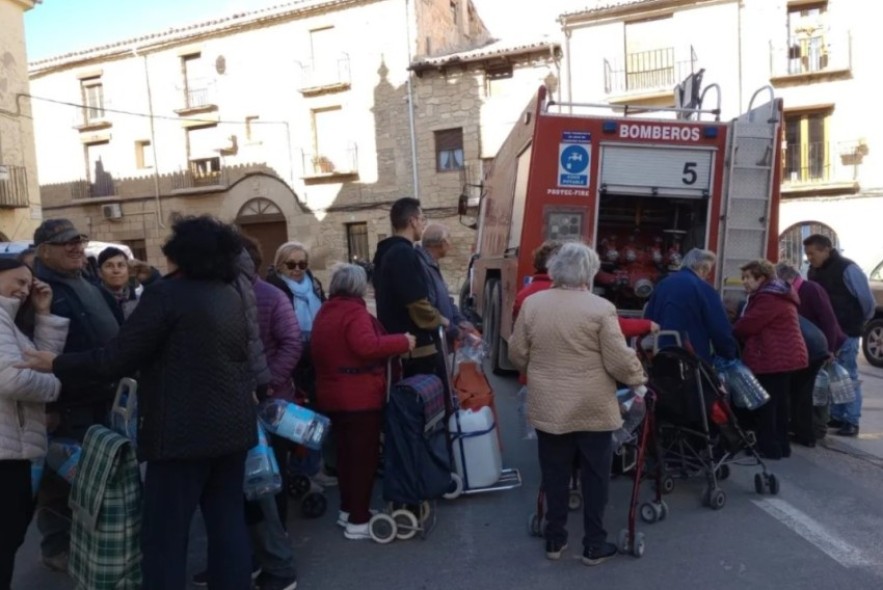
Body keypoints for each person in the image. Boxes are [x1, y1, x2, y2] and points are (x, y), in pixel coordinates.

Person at [20, 215, 258, 590]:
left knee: (164, 536)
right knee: (227, 523)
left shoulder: (168, 295)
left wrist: (57, 362)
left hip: (181, 436)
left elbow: (116, 357)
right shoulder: (226, 293)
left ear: (181, 253)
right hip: (233, 429)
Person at [508, 242, 646, 567]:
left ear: (555, 269)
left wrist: (540, 369)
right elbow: (618, 361)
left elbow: (517, 354)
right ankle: (594, 545)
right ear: (589, 271)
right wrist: (639, 379)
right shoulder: (600, 308)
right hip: (593, 408)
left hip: (549, 405)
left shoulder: (533, 305)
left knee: (554, 474)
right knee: (595, 477)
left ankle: (555, 540)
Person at [30, 218, 123, 572]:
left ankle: (89, 542)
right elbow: (32, 348)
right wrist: (48, 404)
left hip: (101, 394)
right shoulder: (39, 289)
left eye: (78, 240)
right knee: (61, 478)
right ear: (44, 251)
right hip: (68, 401)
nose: (75, 247)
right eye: (65, 242)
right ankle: (57, 546)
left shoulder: (85, 280)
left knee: (94, 476)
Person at [311, 263, 415, 540]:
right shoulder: (354, 312)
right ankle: (358, 520)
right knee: (363, 460)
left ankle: (348, 509)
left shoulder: (325, 310)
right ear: (359, 286)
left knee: (346, 457)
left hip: (332, 394)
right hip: (357, 396)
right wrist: (403, 341)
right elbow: (367, 346)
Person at [0, 259, 68, 590]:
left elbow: (39, 362)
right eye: (17, 281)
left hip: (11, 449)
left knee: (9, 539)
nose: (25, 290)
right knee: (5, 541)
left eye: (28, 284)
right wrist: (56, 386)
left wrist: (43, 314)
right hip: (3, 454)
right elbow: (12, 379)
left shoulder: (8, 322)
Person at [266, 242, 336, 487]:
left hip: (314, 359)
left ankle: (310, 468)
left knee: (314, 415)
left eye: (302, 264)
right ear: (279, 263)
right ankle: (298, 470)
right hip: (289, 362)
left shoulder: (313, 286)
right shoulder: (275, 289)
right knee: (296, 418)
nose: (297, 269)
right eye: (291, 264)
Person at [733, 259, 808, 460]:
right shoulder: (775, 294)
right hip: (784, 357)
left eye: (749, 277)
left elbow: (747, 326)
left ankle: (769, 447)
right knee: (780, 404)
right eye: (743, 278)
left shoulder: (769, 298)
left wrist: (732, 328)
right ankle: (781, 446)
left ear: (762, 278)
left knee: (768, 404)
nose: (745, 282)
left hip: (775, 357)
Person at [803, 234, 875, 437]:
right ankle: (837, 415)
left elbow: (866, 300)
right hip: (827, 332)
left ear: (826, 249)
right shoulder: (814, 270)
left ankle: (851, 420)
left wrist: (860, 321)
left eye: (812, 253)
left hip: (847, 330)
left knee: (847, 375)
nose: (809, 258)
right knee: (833, 376)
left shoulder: (848, 268)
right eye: (807, 254)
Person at [372, 197, 447, 378]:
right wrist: (443, 321)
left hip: (400, 347)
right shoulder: (403, 253)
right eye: (422, 218)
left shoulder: (385, 252)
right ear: (412, 221)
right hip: (415, 351)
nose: (423, 223)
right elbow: (417, 304)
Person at [776, 262, 846, 443]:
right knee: (803, 391)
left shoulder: (811, 290)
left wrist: (830, 349)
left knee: (808, 392)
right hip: (806, 347)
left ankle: (810, 432)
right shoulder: (794, 292)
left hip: (818, 348)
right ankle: (804, 430)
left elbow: (829, 321)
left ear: (788, 278)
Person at [644, 248, 738, 362]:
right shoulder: (703, 288)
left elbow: (648, 319)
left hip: (661, 355)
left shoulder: (663, 284)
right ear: (703, 269)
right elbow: (719, 329)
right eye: (708, 272)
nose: (707, 276)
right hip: (692, 359)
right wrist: (729, 355)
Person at [415, 222, 476, 342]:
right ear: (440, 243)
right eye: (448, 239)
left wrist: (460, 321)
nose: (450, 244)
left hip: (442, 337)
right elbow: (430, 307)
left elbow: (446, 301)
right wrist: (454, 330)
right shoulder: (423, 266)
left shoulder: (432, 264)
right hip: (434, 339)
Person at [97, 247, 139, 319]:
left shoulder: (139, 299)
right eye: (109, 266)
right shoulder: (93, 301)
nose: (116, 270)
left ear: (128, 270)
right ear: (99, 272)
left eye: (121, 265)